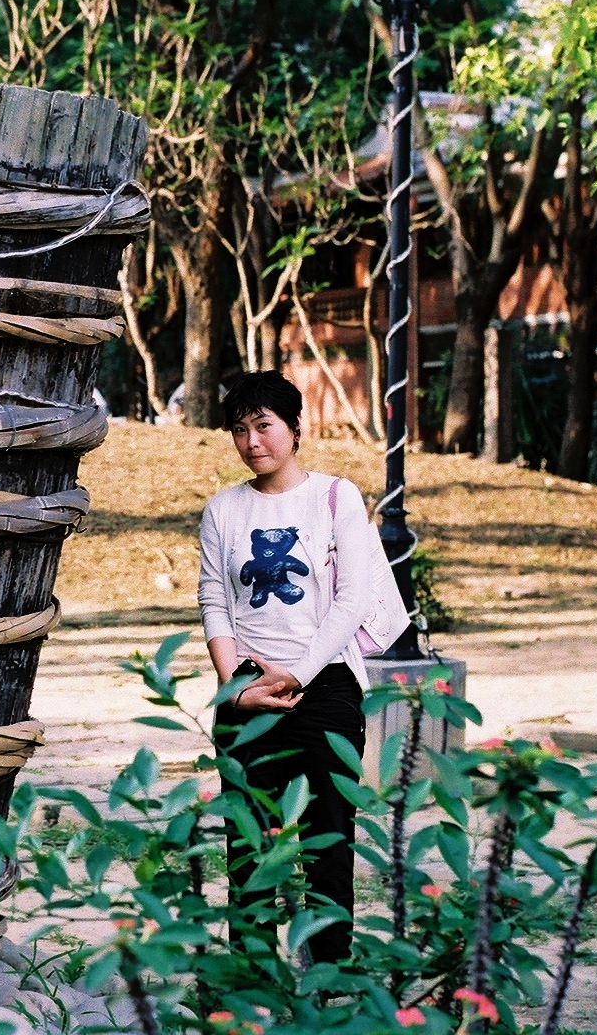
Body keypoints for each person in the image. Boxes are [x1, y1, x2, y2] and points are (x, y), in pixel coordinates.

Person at [197, 370, 382, 965]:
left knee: (327, 843)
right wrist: (233, 687)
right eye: (240, 429)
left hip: (324, 687)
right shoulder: (222, 509)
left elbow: (353, 598)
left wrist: (298, 673)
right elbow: (213, 600)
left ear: (296, 429)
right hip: (247, 691)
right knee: (249, 846)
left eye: (265, 425)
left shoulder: (336, 496)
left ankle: (330, 980)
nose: (253, 441)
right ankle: (250, 982)